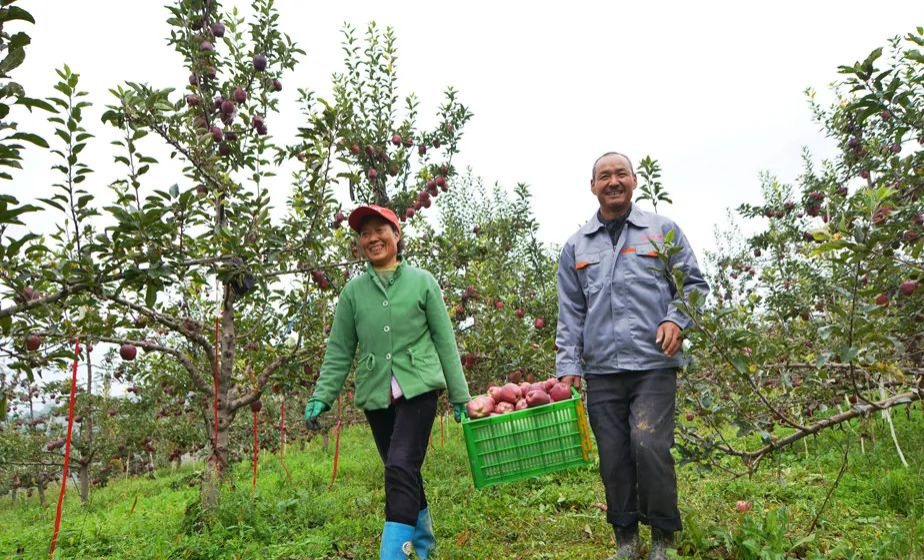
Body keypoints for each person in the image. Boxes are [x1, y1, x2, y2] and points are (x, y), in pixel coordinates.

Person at [555, 152, 709, 560]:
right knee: (613, 455)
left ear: (634, 180)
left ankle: (662, 536)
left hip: (653, 364)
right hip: (602, 370)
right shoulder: (576, 246)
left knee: (649, 445)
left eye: (620, 173)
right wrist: (568, 365)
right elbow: (570, 312)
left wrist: (676, 319)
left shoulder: (662, 230)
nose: (613, 181)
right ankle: (626, 539)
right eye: (604, 176)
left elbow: (693, 285)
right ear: (592, 186)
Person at [303, 205, 471, 560]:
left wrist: (460, 395)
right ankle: (424, 547)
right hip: (375, 392)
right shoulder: (353, 293)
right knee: (403, 469)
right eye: (364, 234)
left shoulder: (423, 282)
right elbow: (340, 349)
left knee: (399, 465)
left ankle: (394, 554)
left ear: (397, 235)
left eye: (380, 230)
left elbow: (445, 341)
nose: (372, 238)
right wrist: (323, 395)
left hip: (419, 387)